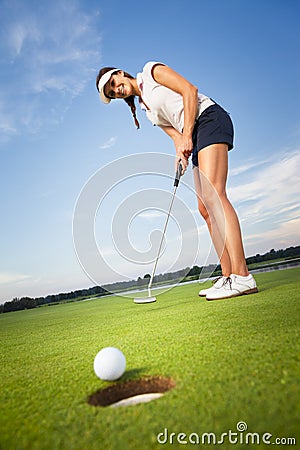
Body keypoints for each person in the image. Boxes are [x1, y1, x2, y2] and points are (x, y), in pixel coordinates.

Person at [95, 62, 258, 300]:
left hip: (209, 119)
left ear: (119, 73)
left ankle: (243, 276)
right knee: (204, 208)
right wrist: (180, 154)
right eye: (111, 92)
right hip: (194, 134)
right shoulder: (147, 110)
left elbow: (189, 90)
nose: (116, 90)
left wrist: (187, 134)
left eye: (113, 84)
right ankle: (227, 276)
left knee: (214, 195)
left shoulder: (151, 71)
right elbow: (175, 136)